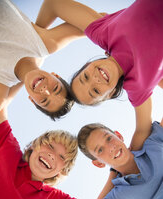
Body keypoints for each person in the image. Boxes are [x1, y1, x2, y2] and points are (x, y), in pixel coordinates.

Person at [44, 0, 163, 149]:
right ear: (110, 94)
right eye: (95, 91)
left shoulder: (102, 32)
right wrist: (119, 171)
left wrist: (37, 48)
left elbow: (53, 4)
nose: (95, 79)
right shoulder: (137, 86)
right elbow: (142, 130)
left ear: (88, 65)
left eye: (85, 77)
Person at [0, 104, 116, 199]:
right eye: (50, 146)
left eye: (61, 157)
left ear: (61, 171)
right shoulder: (8, 150)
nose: (51, 155)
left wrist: (116, 170)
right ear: (34, 146)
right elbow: (0, 104)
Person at [52, 118, 163, 199]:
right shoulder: (118, 198)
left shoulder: (152, 141)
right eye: (100, 150)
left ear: (119, 136)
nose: (111, 148)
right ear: (98, 163)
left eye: (109, 138)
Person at [0, 0, 84, 120]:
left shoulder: (1, 87)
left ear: (32, 101)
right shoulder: (43, 45)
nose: (46, 91)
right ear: (55, 75)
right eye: (55, 88)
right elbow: (99, 23)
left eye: (44, 100)